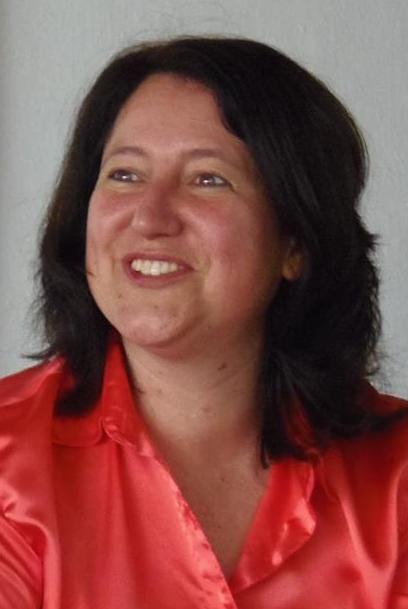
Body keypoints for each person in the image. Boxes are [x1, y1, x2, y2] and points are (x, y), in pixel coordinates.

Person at [0, 36, 407, 609]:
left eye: (207, 179)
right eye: (124, 175)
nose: (150, 217)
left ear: (295, 243)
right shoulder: (9, 465)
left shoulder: (396, 476)